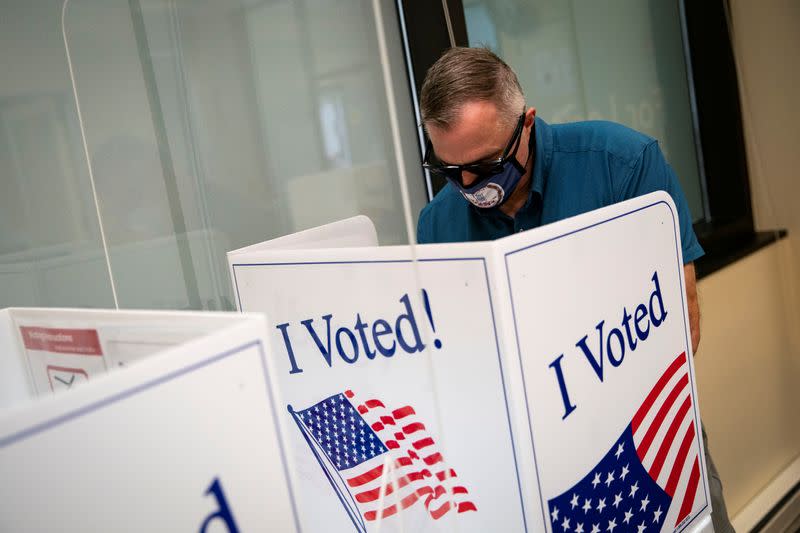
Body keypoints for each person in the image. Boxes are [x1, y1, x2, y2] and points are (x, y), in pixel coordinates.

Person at [416, 47, 734, 533]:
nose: (467, 184)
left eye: (483, 166)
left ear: (526, 124)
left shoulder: (620, 164)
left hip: (642, 440)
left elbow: (681, 323)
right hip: (532, 472)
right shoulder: (438, 224)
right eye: (447, 169)